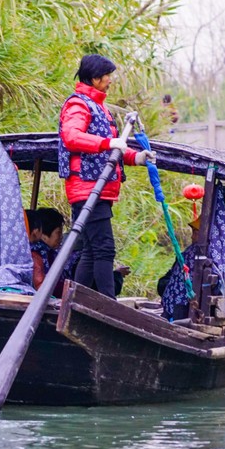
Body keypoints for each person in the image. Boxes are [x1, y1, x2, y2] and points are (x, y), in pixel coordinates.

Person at [58, 53, 155, 298]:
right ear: (95, 78)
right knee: (104, 249)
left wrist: (137, 157)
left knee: (92, 250)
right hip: (87, 188)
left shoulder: (99, 106)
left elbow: (114, 151)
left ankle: (78, 299)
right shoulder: (78, 105)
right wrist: (106, 142)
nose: (110, 80)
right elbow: (71, 137)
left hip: (97, 190)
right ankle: (107, 303)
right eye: (107, 76)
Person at [27, 207, 64, 290]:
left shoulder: (49, 253)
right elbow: (42, 285)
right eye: (58, 232)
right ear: (42, 234)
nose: (61, 237)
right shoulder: (38, 254)